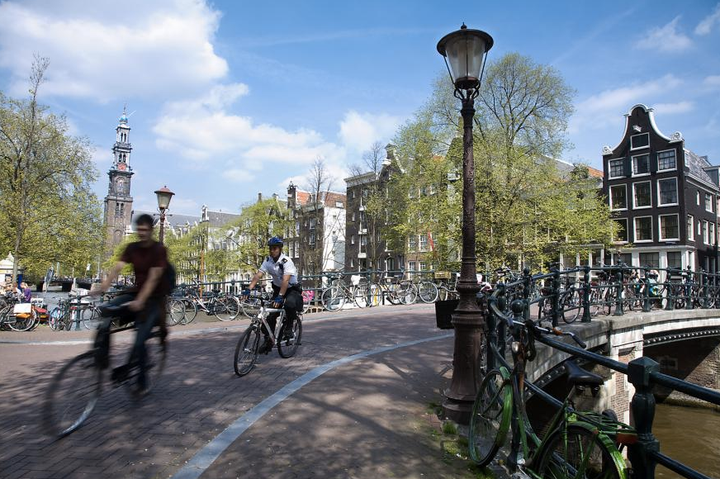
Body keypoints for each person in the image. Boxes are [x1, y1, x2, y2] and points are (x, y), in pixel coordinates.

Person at [91, 214, 168, 395]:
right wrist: (103, 287)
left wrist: (141, 300)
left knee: (140, 341)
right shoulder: (132, 248)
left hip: (154, 300)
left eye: (145, 230)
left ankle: (142, 382)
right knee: (106, 310)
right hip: (134, 293)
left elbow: (154, 276)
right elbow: (117, 267)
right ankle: (102, 356)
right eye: (139, 230)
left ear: (151, 230)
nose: (141, 233)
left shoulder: (159, 250)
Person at [242, 236, 302, 354]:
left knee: (289, 304)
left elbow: (285, 281)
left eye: (275, 248)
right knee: (269, 316)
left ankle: (289, 329)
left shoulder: (286, 261)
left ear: (279, 249)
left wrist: (280, 297)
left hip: (291, 288)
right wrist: (249, 289)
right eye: (270, 249)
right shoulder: (268, 260)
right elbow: (258, 275)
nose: (272, 251)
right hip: (277, 289)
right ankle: (268, 340)